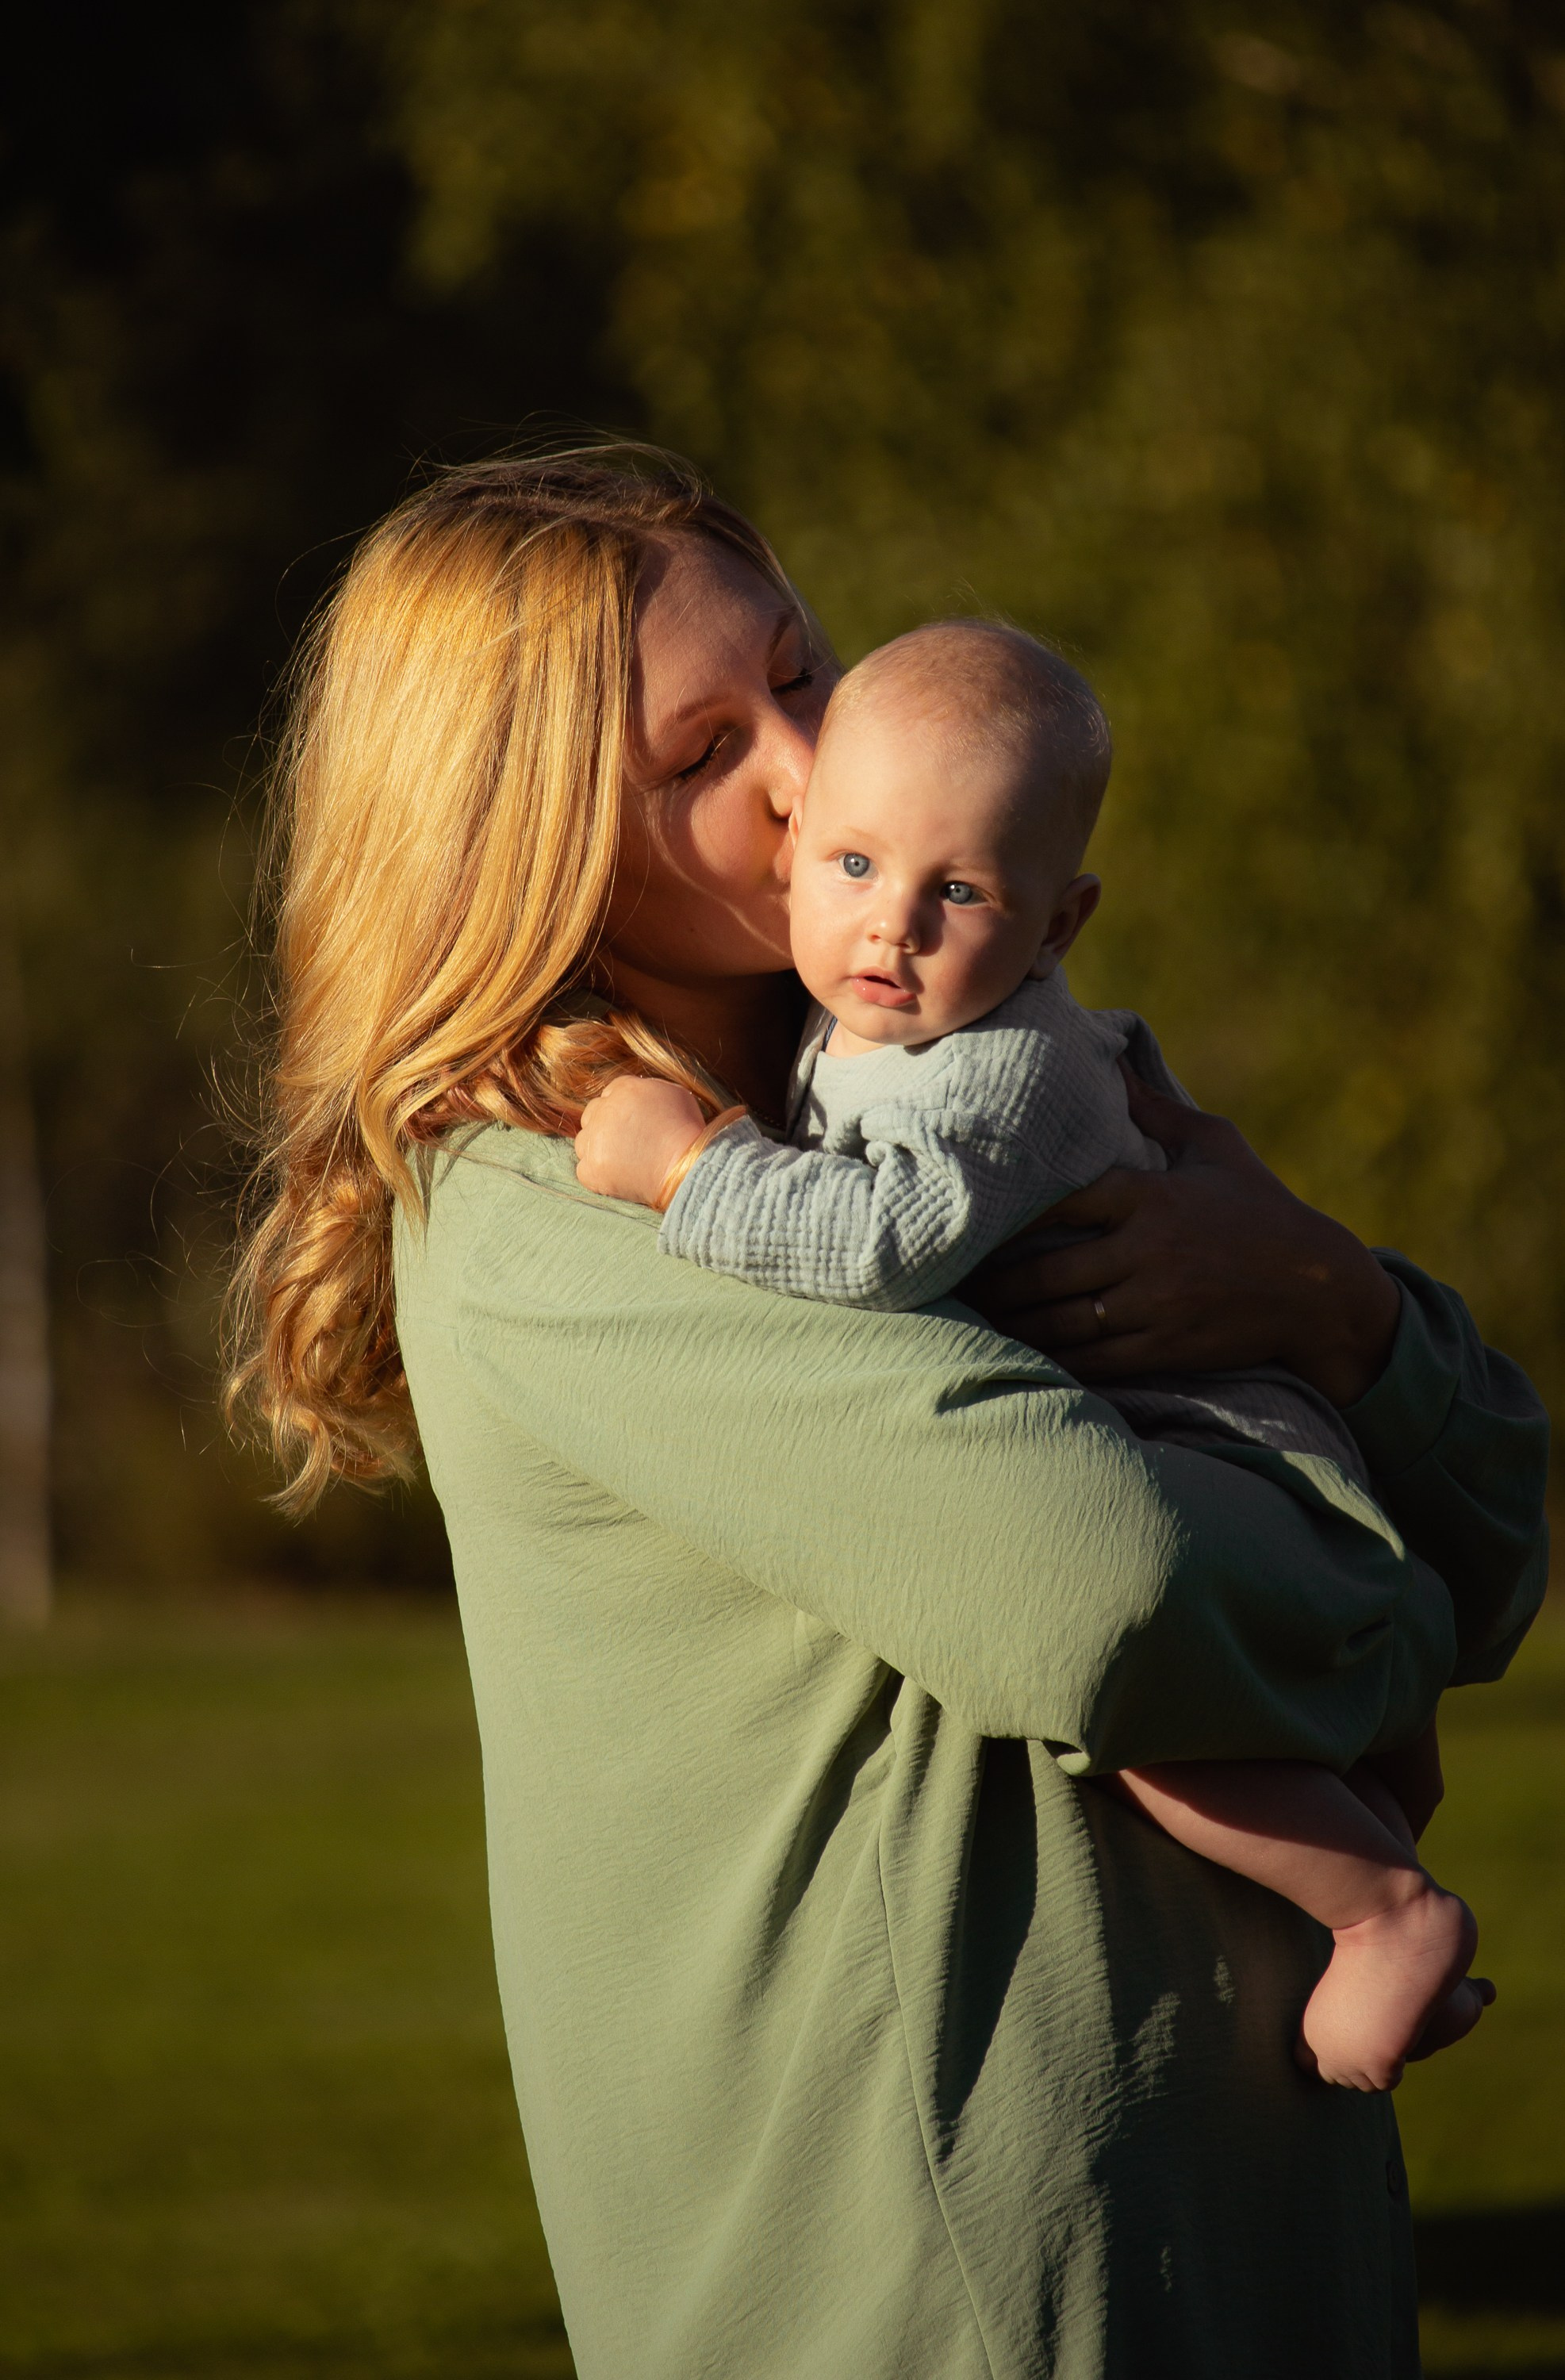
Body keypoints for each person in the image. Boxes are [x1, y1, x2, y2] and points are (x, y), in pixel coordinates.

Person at [226, 448, 1549, 2380]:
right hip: (949, 2279)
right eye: (697, 756)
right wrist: (1391, 1617)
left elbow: (1507, 1507)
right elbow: (1103, 1590)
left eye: (802, 673)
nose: (802, 768)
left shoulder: (936, 1075)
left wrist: (1328, 1303)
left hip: (1240, 2221)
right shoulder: (562, 1203)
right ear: (515, 839)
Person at [572, 614, 1489, 2096]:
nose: (891, 929)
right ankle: (1384, 1868)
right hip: (1180, 1428)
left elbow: (872, 1244)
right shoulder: (877, 1017)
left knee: (1149, 1720)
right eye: (857, 870)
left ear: (1057, 925)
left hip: (1210, 1438)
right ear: (800, 852)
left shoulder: (996, 1072)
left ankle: (1381, 1910)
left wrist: (686, 1171)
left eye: (960, 892)